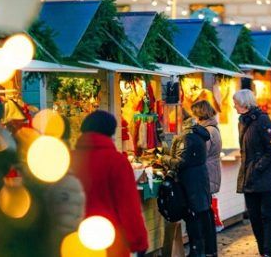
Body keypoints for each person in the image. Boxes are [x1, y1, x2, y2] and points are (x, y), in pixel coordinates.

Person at [71, 110, 148, 256]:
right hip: (110, 241)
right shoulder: (116, 162)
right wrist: (139, 242)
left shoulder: (70, 159)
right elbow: (129, 207)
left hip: (75, 241)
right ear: (111, 131)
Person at [161, 112, 216, 256]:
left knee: (193, 217)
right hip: (199, 181)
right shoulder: (200, 135)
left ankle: (196, 251)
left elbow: (180, 162)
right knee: (201, 215)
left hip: (190, 183)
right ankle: (204, 250)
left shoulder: (186, 138)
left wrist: (164, 158)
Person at [234, 89, 271, 257]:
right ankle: (262, 250)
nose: (234, 106)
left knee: (266, 215)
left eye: (236, 103)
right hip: (249, 176)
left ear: (245, 104)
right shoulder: (242, 121)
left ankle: (269, 252)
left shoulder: (263, 120)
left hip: (265, 177)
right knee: (253, 217)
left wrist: (258, 167)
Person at [191, 100, 225, 232]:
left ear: (200, 114)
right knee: (207, 207)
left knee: (205, 210)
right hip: (212, 170)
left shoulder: (207, 131)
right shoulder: (213, 128)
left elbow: (201, 153)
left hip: (207, 172)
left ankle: (208, 244)